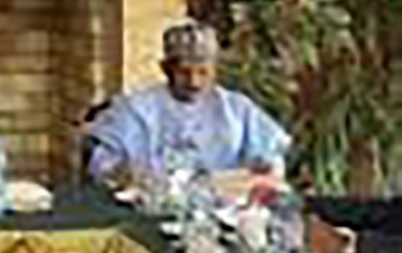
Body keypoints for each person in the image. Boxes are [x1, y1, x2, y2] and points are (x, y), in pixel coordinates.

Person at [87, 20, 290, 186]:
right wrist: (123, 173)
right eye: (184, 72)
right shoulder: (135, 109)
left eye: (203, 72)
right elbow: (102, 163)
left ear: (215, 70)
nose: (194, 82)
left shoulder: (238, 109)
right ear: (166, 69)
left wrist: (262, 172)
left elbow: (270, 161)